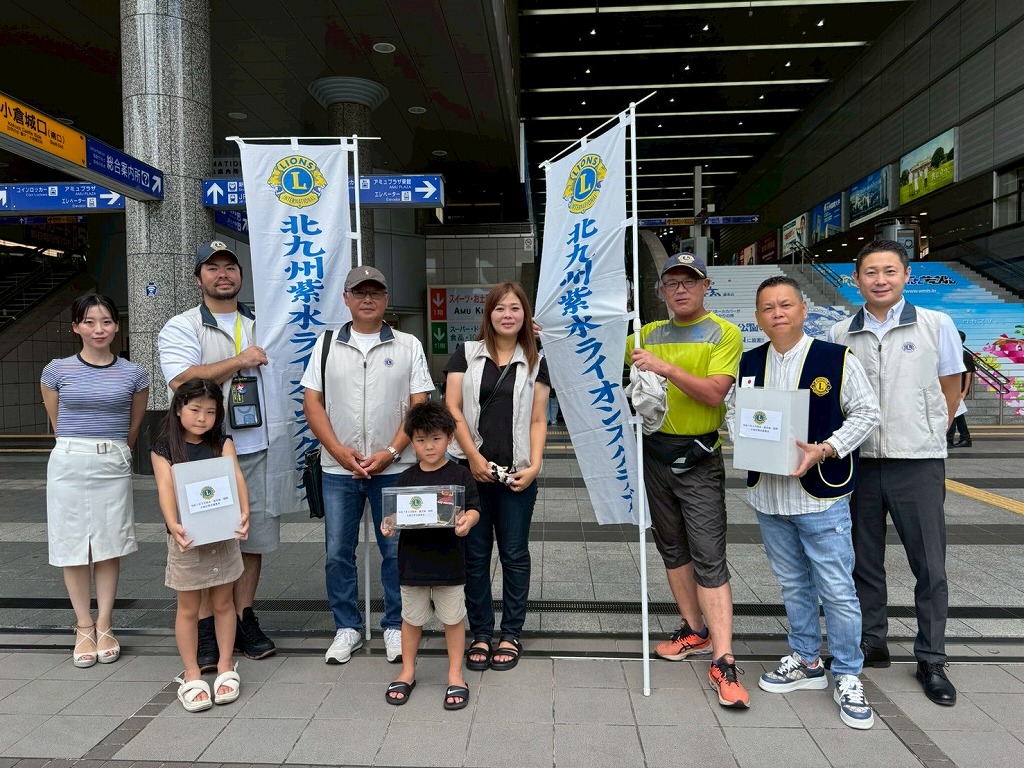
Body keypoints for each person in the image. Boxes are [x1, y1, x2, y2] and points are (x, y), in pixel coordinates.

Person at [727, 276, 880, 729]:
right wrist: (749, 441)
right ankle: (807, 660)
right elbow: (735, 410)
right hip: (769, 496)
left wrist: (827, 448)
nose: (777, 313)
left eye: (785, 304)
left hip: (821, 497)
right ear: (758, 317)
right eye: (767, 307)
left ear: (802, 310)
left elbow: (867, 412)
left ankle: (848, 673)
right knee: (793, 583)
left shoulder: (835, 358)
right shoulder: (749, 361)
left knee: (836, 587)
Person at [830, 239, 964, 707]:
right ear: (856, 279)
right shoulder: (840, 333)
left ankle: (931, 658)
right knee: (863, 559)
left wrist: (931, 430)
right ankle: (873, 640)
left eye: (889, 271)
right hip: (859, 463)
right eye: (870, 272)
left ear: (907, 275)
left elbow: (952, 384)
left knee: (929, 563)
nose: (880, 280)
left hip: (918, 461)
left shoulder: (936, 324)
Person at [626, 252, 748, 708]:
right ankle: (695, 631)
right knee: (672, 547)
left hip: (698, 459)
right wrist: (546, 335)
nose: (681, 289)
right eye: (672, 283)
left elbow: (715, 392)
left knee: (708, 555)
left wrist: (667, 368)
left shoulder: (724, 332)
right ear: (660, 290)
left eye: (689, 281)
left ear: (705, 286)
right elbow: (590, 350)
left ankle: (724, 659)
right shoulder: (647, 334)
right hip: (654, 457)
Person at [301, 265, 433, 664]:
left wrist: (391, 451)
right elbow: (312, 403)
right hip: (338, 469)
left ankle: (394, 625)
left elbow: (420, 404)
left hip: (393, 468)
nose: (368, 299)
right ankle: (347, 627)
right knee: (337, 553)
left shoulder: (408, 345)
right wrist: (338, 450)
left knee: (395, 551)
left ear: (387, 299)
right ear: (346, 299)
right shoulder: (326, 344)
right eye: (359, 292)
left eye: (376, 292)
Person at [158, 240, 277, 667]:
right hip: (202, 455)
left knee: (250, 537)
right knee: (205, 538)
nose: (223, 274)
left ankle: (243, 618)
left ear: (241, 275)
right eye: (212, 268)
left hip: (255, 446)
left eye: (230, 266)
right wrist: (239, 360)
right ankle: (207, 626)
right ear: (198, 278)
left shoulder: (263, 322)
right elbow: (182, 381)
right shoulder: (182, 326)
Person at [445, 281, 550, 673]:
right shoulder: (465, 354)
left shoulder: (537, 360)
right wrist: (473, 457)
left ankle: (511, 633)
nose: (508, 315)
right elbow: (452, 408)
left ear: (525, 315)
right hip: (469, 473)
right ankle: (481, 632)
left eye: (515, 308)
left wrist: (535, 465)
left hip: (516, 474)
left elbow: (538, 418)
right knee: (474, 555)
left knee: (514, 554)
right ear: (488, 314)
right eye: (500, 308)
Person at [41, 293, 149, 668]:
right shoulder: (56, 370)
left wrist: (116, 451)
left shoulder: (135, 374)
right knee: (72, 544)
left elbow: (133, 427)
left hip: (112, 460)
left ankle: (105, 623)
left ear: (116, 326)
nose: (98, 329)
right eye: (89, 322)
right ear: (76, 327)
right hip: (69, 460)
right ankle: (83, 625)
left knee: (108, 544)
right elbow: (57, 422)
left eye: (106, 321)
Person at [151, 379, 249, 712]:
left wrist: (245, 513)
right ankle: (192, 673)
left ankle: (225, 665)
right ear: (179, 409)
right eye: (195, 409)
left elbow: (236, 477)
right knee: (188, 608)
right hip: (187, 539)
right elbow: (165, 488)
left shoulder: (222, 442)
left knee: (224, 602)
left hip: (222, 536)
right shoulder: (164, 448)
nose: (202, 418)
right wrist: (173, 524)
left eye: (210, 411)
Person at [380, 401, 481, 709]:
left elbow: (474, 509)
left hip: (450, 563)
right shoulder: (406, 478)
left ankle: (455, 674)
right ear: (411, 441)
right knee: (411, 620)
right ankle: (407, 671)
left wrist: (467, 521)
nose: (429, 446)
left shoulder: (460, 475)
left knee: (453, 620)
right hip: (413, 564)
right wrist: (389, 523)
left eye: (436, 438)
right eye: (421, 439)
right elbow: (397, 514)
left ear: (449, 438)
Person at [947, 330, 975, 448]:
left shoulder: (965, 355)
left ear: (961, 341)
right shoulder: (951, 354)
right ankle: (965, 438)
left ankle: (949, 440)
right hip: (950, 389)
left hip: (959, 390)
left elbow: (969, 374)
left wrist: (965, 391)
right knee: (958, 414)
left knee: (953, 413)